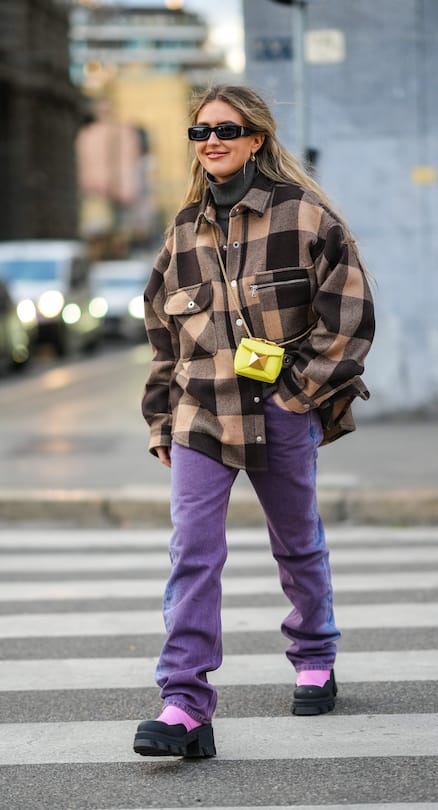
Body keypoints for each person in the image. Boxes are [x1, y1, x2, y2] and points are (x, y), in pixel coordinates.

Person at [133, 85, 375, 759]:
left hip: (279, 410)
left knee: (296, 540)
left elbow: (349, 316)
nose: (212, 140)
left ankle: (314, 652)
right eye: (200, 131)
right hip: (200, 412)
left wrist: (299, 394)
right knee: (193, 554)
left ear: (256, 138)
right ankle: (183, 704)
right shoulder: (183, 229)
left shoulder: (304, 216)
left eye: (226, 129)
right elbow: (162, 336)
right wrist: (161, 422)